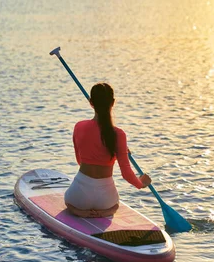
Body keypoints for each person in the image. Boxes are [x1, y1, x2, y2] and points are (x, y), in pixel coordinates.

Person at [64, 83, 151, 218]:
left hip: (79, 195)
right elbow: (126, 174)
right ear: (113, 103)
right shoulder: (118, 134)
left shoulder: (79, 126)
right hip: (105, 199)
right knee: (116, 205)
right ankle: (105, 212)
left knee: (68, 201)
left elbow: (80, 161)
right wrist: (141, 184)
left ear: (91, 102)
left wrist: (115, 152)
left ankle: (78, 211)